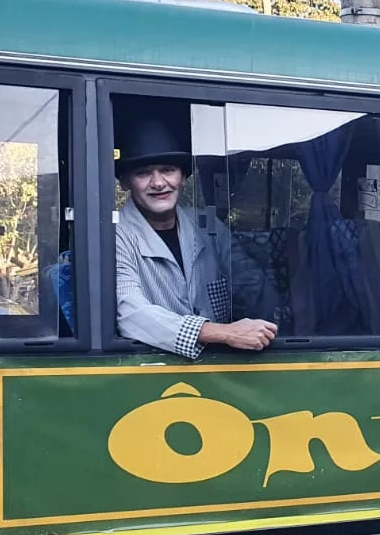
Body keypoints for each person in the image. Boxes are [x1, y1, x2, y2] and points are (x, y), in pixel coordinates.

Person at [114, 116, 278, 358]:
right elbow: (130, 313)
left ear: (183, 177)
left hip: (221, 365)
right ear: (125, 182)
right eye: (143, 173)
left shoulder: (207, 224)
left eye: (168, 170)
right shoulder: (114, 235)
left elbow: (252, 284)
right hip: (151, 365)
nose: (158, 183)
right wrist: (224, 332)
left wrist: (274, 325)